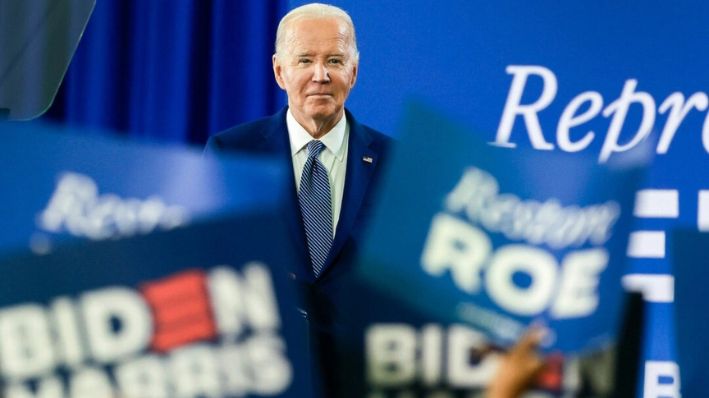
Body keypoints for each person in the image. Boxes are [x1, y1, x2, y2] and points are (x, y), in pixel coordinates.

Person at [205, 3, 392, 396]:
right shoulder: (231, 154)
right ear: (279, 71)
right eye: (305, 60)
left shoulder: (397, 164)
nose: (320, 76)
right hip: (264, 376)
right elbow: (209, 267)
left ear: (354, 72)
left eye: (335, 60)